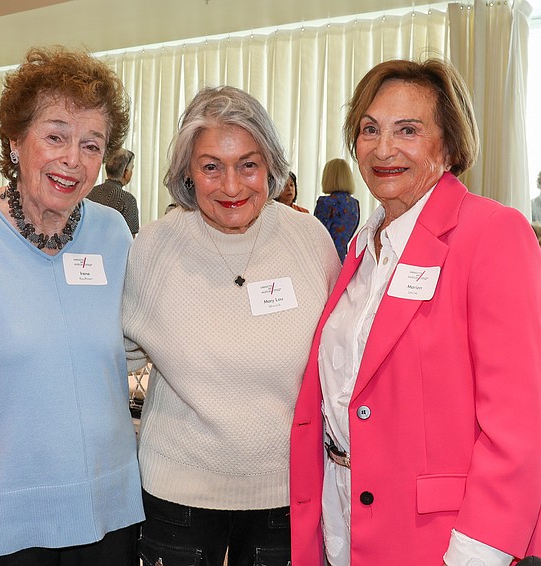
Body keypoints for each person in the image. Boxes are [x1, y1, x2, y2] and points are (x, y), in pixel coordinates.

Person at [289, 58, 541, 565]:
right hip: (343, 519)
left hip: (442, 540)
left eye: (407, 130)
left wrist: (476, 554)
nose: (383, 149)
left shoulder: (490, 233)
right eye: (369, 129)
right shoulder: (361, 248)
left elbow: (520, 421)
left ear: (449, 145)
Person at [123, 85, 340, 566]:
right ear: (187, 172)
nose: (232, 186)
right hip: (177, 494)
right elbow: (116, 357)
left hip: (286, 493)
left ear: (271, 166)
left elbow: (338, 358)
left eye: (248, 164)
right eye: (211, 167)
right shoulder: (154, 248)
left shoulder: (309, 240)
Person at [0, 46, 143, 565]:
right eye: (55, 136)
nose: (73, 159)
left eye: (91, 145)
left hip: (109, 505)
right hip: (7, 509)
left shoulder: (113, 233)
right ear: (15, 141)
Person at [313, 158, 360, 262]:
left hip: (324, 258)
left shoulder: (326, 202)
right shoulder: (354, 204)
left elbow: (316, 233)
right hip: (343, 258)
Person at [88, 148, 140, 235]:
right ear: (126, 172)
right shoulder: (128, 200)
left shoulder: (89, 192)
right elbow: (130, 238)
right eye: (132, 169)